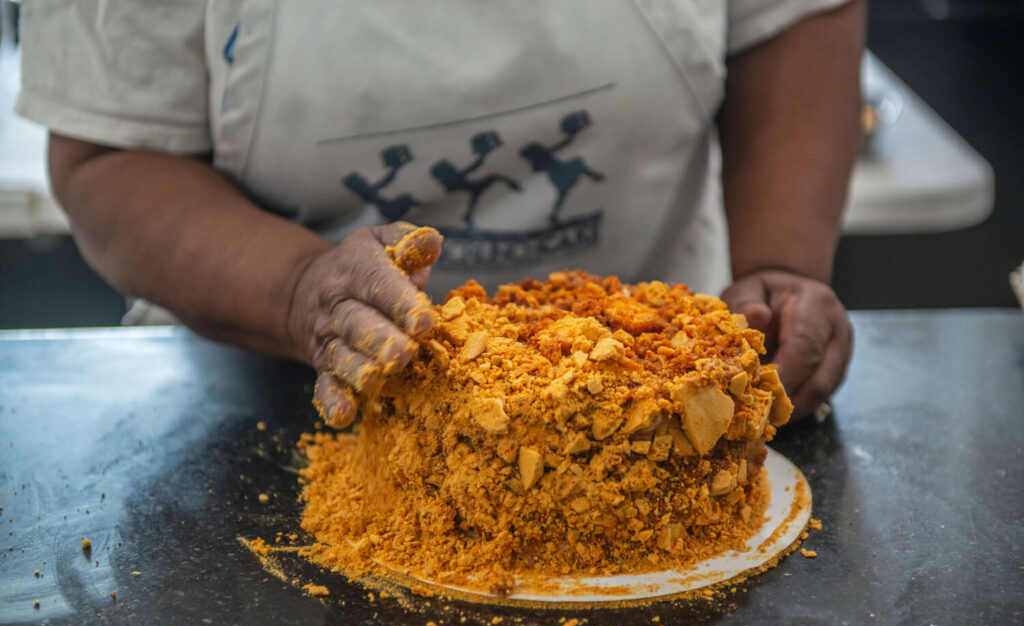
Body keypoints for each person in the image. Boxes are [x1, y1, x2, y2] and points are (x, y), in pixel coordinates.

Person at [16, 1, 861, 426]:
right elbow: (108, 151)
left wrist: (778, 268)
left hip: (653, 395)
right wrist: (298, 291)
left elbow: (793, 21)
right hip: (254, 389)